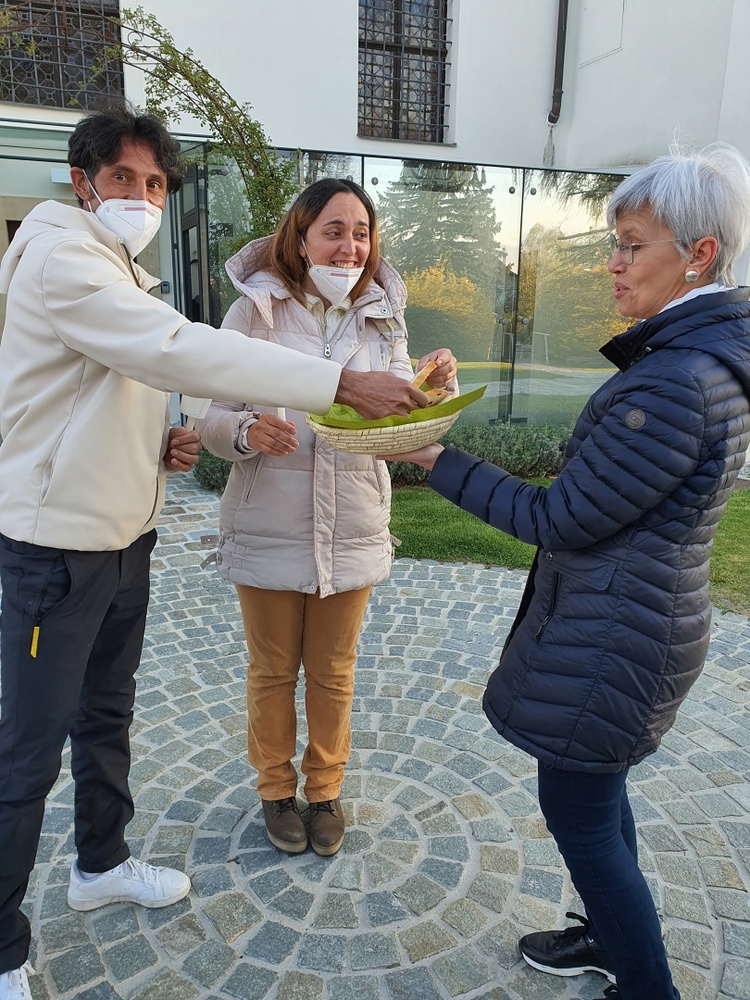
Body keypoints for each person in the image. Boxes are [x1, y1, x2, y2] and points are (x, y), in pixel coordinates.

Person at [0, 110, 427, 999]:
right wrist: (335, 384)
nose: (143, 197)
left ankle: (100, 863)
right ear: (82, 182)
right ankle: (2, 945)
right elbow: (175, 350)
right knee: (27, 751)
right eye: (124, 178)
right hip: (55, 549)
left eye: (156, 183)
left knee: (106, 718)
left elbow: (122, 390)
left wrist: (159, 445)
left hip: (123, 540)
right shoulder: (62, 256)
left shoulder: (123, 271)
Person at [388, 144, 750, 1000]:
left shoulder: (673, 383)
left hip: (614, 638)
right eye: (615, 243)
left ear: (698, 255)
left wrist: (431, 456)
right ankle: (607, 937)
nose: (613, 263)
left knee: (582, 820)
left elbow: (557, 518)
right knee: (599, 805)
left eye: (632, 245)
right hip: (638, 621)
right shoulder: (701, 361)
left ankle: (646, 985)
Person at [197, 178, 457, 857]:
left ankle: (325, 789)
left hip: (352, 523)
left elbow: (400, 423)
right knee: (272, 672)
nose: (349, 246)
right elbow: (210, 418)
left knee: (335, 672)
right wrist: (247, 433)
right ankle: (274, 790)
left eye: (361, 233)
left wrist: (433, 388)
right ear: (302, 235)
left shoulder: (384, 318)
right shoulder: (252, 313)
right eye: (334, 230)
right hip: (268, 521)